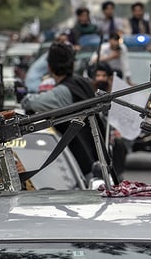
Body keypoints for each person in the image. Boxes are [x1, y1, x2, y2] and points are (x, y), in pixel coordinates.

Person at [20, 43, 103, 175]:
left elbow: (31, 103)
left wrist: (23, 96)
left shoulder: (62, 92)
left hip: (82, 166)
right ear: (73, 64)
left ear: (49, 67)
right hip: (95, 157)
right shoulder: (83, 83)